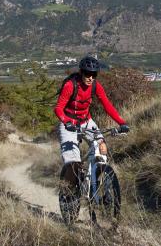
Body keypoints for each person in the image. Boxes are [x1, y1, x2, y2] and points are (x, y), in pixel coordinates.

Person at [54, 56, 130, 200]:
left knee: (102, 148)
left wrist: (121, 123)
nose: (90, 77)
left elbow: (107, 106)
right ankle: (69, 192)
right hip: (69, 123)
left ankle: (95, 183)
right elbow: (58, 108)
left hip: (87, 121)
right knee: (72, 162)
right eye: (87, 74)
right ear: (81, 72)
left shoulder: (95, 86)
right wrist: (66, 121)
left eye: (94, 74)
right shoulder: (70, 85)